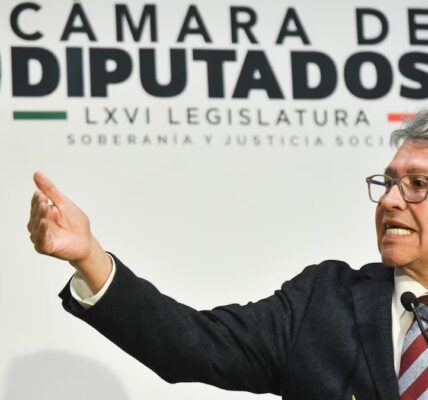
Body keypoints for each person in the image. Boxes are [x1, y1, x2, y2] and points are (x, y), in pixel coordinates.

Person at [28, 110, 428, 400]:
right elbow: (194, 345)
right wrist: (89, 257)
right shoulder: (326, 301)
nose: (390, 200)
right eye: (388, 182)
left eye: (417, 184)